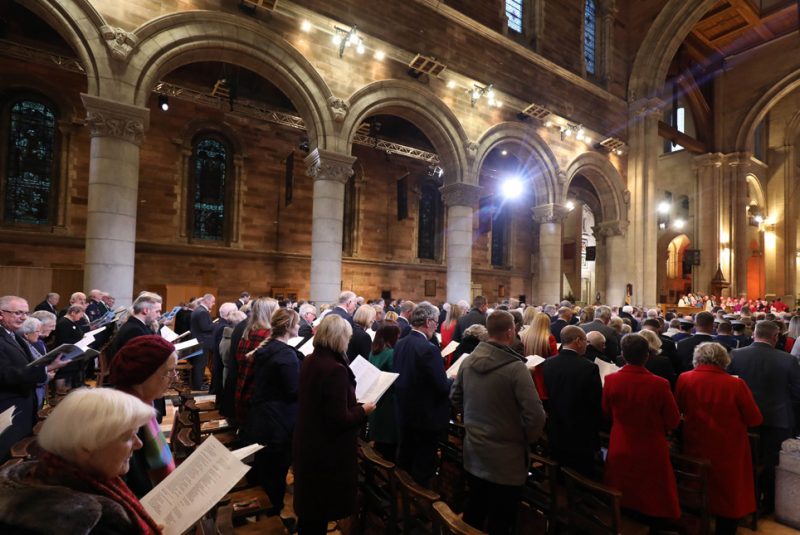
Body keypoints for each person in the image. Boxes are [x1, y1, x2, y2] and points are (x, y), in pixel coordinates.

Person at [0, 388, 161, 533]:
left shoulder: (42, 473)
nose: (138, 444)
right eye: (127, 437)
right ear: (86, 446)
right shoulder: (89, 521)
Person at [451, 310, 546, 535]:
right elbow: (536, 416)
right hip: (507, 457)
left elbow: (455, 397)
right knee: (501, 519)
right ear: (511, 332)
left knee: (474, 510)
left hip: (474, 449)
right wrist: (526, 439)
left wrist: (474, 420)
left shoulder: (468, 361)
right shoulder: (516, 369)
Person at [293, 314, 375, 535]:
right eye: (347, 337)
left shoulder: (311, 359)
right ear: (339, 338)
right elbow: (339, 419)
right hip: (325, 451)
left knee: (310, 511)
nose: (348, 341)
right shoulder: (335, 370)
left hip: (309, 442)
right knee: (319, 510)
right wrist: (363, 410)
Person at [676, 342, 762, 535]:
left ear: (697, 358)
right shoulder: (736, 384)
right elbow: (754, 418)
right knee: (728, 495)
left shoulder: (685, 378)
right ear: (724, 360)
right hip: (728, 448)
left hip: (695, 442)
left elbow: (678, 409)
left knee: (698, 486)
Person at [603, 333, 681, 527]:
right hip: (650, 444)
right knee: (651, 491)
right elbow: (673, 420)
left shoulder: (611, 379)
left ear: (623, 354)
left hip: (620, 440)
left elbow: (606, 410)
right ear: (647, 356)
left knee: (622, 484)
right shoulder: (659, 384)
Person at [729, 320, 800, 514]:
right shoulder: (788, 360)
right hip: (777, 420)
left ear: (754, 334)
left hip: (744, 419)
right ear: (775, 337)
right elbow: (797, 393)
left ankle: (748, 501)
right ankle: (769, 505)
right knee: (772, 464)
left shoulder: (735, 355)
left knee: (747, 462)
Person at [243, 308, 303, 529]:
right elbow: (293, 390)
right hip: (277, 423)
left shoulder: (269, 348)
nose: (299, 327)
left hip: (263, 418)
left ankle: (265, 518)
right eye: (297, 324)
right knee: (275, 476)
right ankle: (272, 522)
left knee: (266, 472)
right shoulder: (285, 354)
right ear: (288, 326)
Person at [108, 335, 178, 497]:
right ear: (144, 374)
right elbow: (131, 483)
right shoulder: (126, 419)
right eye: (169, 371)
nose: (174, 377)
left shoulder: (143, 404)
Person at [0, 297, 67, 460]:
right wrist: (47, 369)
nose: (23, 317)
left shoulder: (13, 334)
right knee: (6, 456)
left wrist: (43, 371)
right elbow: (7, 374)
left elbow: (27, 365)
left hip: (22, 406)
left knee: (17, 454)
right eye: (18, 313)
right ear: (1, 314)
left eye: (25, 313)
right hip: (7, 408)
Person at [393, 301, 451, 486]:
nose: (436, 325)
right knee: (423, 466)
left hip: (405, 412)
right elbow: (441, 387)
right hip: (426, 417)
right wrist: (452, 379)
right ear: (428, 321)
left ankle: (404, 498)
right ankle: (419, 504)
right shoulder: (429, 349)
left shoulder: (401, 343)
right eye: (435, 321)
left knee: (406, 460)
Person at [538, 325, 602, 476]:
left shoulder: (548, 363)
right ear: (578, 341)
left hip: (556, 426)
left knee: (559, 467)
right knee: (581, 471)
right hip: (580, 429)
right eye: (586, 341)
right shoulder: (589, 367)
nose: (587, 345)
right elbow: (595, 402)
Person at [232, 297, 278, 426]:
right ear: (270, 313)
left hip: (242, 392)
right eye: (277, 310)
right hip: (256, 397)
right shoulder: (267, 335)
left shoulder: (248, 332)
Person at [367, 320, 401, 461]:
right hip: (389, 403)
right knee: (389, 447)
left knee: (380, 445)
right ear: (392, 336)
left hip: (377, 400)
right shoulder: (391, 353)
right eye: (397, 336)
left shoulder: (374, 351)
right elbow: (397, 380)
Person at [107, 292, 161, 359]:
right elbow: (141, 360)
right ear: (146, 310)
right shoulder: (134, 330)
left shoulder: (139, 326)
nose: (159, 315)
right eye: (157, 311)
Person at [190, 293, 216, 390]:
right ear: (207, 300)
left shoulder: (198, 310)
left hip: (198, 340)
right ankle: (197, 386)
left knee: (198, 364)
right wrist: (216, 324)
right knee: (200, 365)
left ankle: (196, 384)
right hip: (202, 342)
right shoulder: (202, 312)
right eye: (213, 302)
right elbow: (205, 327)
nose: (213, 304)